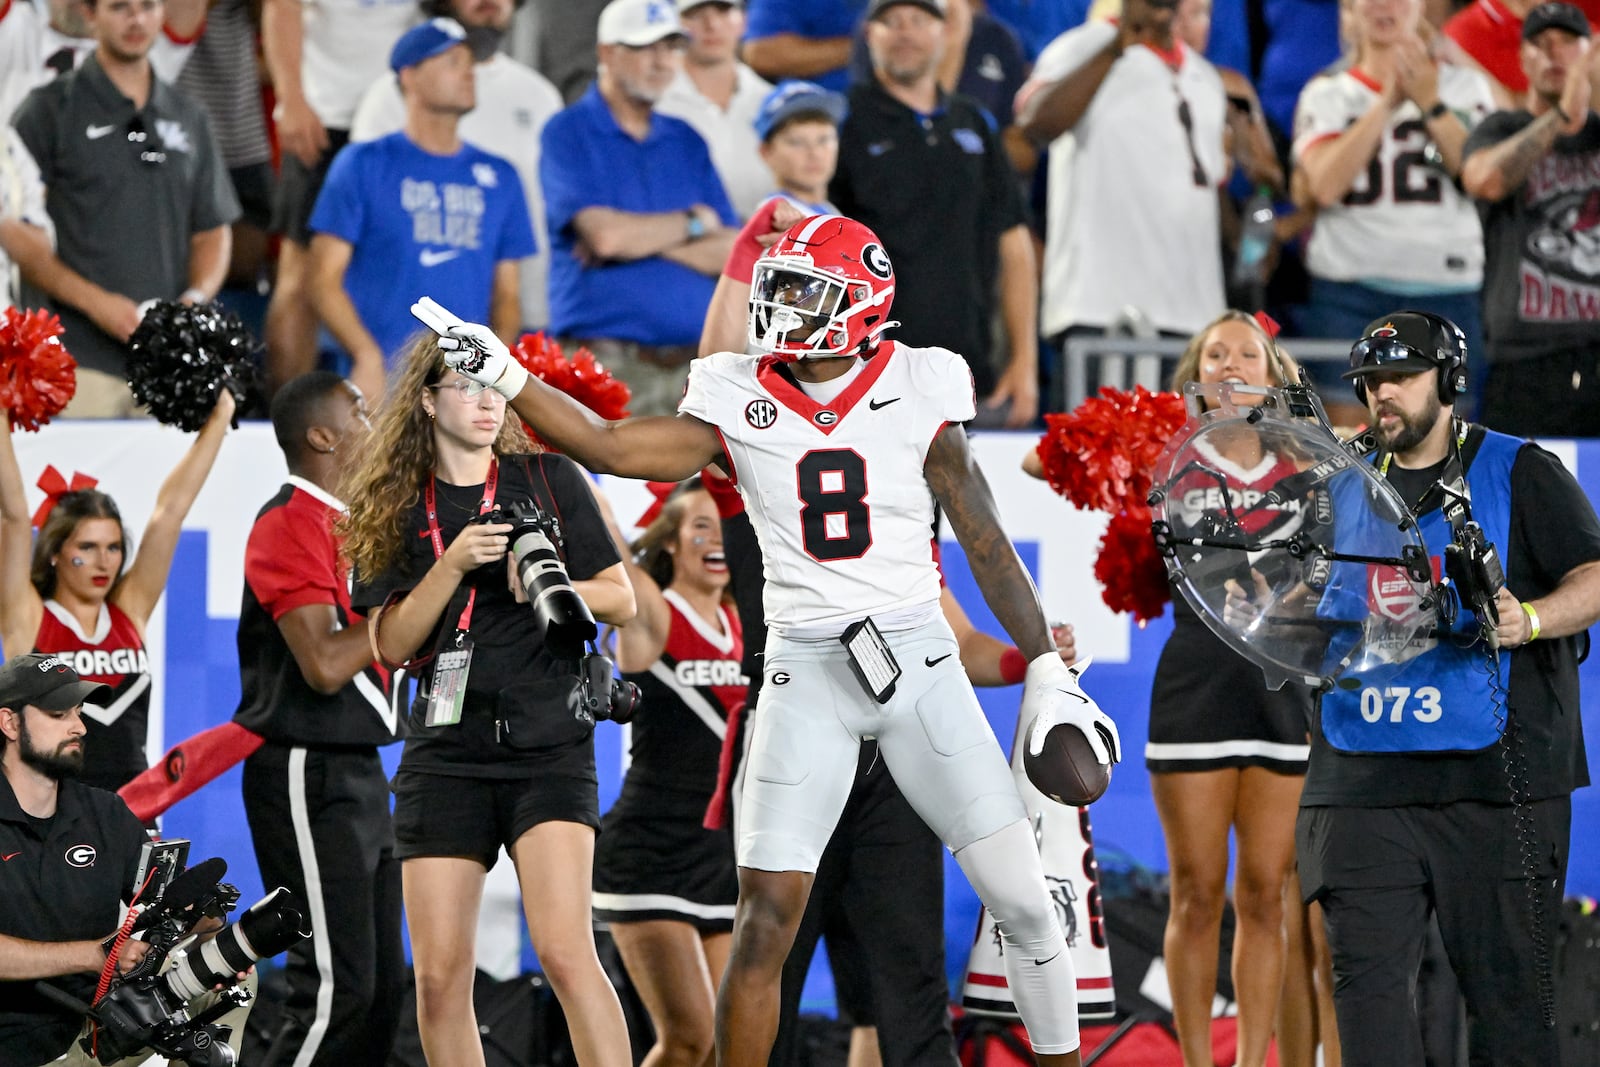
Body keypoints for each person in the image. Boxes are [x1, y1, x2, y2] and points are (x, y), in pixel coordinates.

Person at [420, 210, 1121, 1067]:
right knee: (765, 917)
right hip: (804, 669)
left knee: (1021, 898)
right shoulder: (737, 396)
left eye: (800, 290)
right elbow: (608, 446)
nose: (780, 307)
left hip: (919, 658)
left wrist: (1043, 663)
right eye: (777, 288)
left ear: (861, 300)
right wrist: (512, 376)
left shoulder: (922, 384)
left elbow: (984, 537)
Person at [1281, 310, 1600, 1066]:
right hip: (1360, 776)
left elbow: (1593, 575)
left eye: (1401, 377)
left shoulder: (1521, 469)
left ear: (1451, 381)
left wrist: (1528, 616)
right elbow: (1298, 609)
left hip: (1496, 782)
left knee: (1511, 1002)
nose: (1381, 393)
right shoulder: (1333, 481)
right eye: (1370, 381)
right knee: (1367, 997)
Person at [340, 337, 636, 1067]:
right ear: (428, 398)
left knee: (568, 954)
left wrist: (547, 581)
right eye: (466, 386)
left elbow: (621, 597)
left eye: (494, 386)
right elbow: (390, 641)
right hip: (446, 753)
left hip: (548, 748)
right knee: (440, 981)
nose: (485, 399)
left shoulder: (550, 477)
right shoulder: (398, 505)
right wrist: (452, 563)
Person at [1145, 312, 1313, 1067]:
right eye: (1216, 353)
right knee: (1194, 891)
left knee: (1265, 893)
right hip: (1195, 691)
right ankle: (1193, 1060)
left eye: (1249, 353)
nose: (1232, 364)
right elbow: (1039, 467)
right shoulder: (1166, 460)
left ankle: (1253, 1060)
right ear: (1195, 374)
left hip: (1282, 691)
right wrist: (1145, 436)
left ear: (1276, 374)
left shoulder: (1314, 465)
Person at [232, 372, 405, 1067]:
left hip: (359, 769)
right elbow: (325, 665)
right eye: (359, 409)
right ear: (323, 434)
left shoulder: (354, 524)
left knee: (383, 990)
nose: (374, 417)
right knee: (334, 989)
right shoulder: (286, 521)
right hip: (304, 768)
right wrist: (408, 612)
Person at [0, 652, 256, 1067]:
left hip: (104, 1028)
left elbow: (165, 900)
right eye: (58, 713)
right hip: (15, 1042)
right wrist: (96, 955)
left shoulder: (105, 813)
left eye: (80, 712)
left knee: (231, 965)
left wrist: (206, 924)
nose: (80, 726)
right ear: (9, 723)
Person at [7, 0, 239, 417]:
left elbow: (212, 228)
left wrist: (192, 301)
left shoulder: (190, 117)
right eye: (119, 7)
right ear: (90, 14)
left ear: (163, 13)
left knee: (168, 483)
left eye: (147, 6)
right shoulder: (46, 110)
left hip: (167, 367)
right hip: (72, 364)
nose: (136, 19)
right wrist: (97, 303)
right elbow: (16, 233)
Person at [0, 392, 234, 793]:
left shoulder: (130, 610)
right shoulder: (29, 616)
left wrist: (221, 417)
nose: (103, 562)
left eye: (113, 548)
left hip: (134, 814)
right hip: (53, 813)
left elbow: (170, 512)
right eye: (86, 548)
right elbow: (15, 515)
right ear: (55, 553)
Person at [591, 479, 744, 1067]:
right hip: (651, 850)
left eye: (721, 524)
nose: (714, 539)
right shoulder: (653, 613)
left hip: (722, 854)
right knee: (689, 1039)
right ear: (673, 542)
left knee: (725, 1047)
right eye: (697, 527)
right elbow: (606, 532)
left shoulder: (747, 626)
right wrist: (543, 426)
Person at [833, 0, 1039, 426]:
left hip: (967, 371)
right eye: (891, 21)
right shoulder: (841, 122)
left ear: (947, 31)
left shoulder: (976, 124)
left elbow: (1015, 246)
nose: (906, 32)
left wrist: (1025, 362)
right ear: (870, 35)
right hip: (866, 373)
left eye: (920, 19)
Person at [308, 17, 535, 404]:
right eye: (451, 62)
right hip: (382, 380)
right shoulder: (363, 164)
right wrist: (366, 355)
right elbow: (322, 279)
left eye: (469, 62)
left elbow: (508, 295)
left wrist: (499, 366)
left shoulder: (501, 176)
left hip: (466, 386)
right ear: (409, 77)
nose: (468, 73)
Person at [1018, 0, 1227, 408]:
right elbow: (1036, 124)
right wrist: (1117, 46)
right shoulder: (1082, 45)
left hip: (1194, 313)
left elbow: (1205, 189)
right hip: (1100, 306)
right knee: (1095, 464)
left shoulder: (1206, 77)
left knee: (1183, 467)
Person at [539, 0, 738, 416]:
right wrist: (694, 221)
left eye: (671, 47)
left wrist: (639, 240)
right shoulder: (568, 131)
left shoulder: (686, 139)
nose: (662, 61)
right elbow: (607, 238)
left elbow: (734, 251)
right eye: (646, 47)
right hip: (608, 366)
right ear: (607, 53)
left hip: (695, 368)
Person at [1293, 0, 1495, 403]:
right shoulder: (1327, 93)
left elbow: (1480, 177)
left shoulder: (1466, 88)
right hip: (1349, 289)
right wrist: (1387, 103)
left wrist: (1429, 102)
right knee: (1349, 446)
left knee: (1449, 440)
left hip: (1447, 289)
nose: (1385, 6)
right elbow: (1325, 187)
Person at [351, 0, 566, 335]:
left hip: (531, 309)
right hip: (397, 325)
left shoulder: (541, 97)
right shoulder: (385, 100)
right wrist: (364, 348)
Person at [260, 0, 414, 394]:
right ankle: (285, 416)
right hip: (325, 119)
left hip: (404, 122)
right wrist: (290, 96)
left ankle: (405, 414)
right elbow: (282, 8)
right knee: (299, 278)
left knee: (405, 265)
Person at [1460, 2, 1600, 437]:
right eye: (1540, 44)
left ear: (1588, 53)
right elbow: (1485, 181)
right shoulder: (1501, 128)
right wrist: (1561, 119)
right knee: (1516, 500)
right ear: (1522, 60)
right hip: (1522, 362)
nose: (1554, 54)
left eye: (1566, 43)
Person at [657, 0, 776, 220]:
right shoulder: (655, 105)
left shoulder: (772, 103)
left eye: (723, 11)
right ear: (674, 25)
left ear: (743, 21)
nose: (711, 25)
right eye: (695, 13)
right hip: (687, 244)